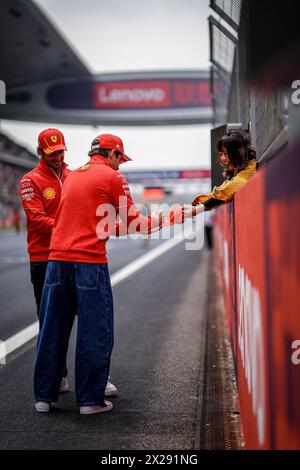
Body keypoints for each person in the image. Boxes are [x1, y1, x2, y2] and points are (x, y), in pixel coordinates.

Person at [34, 134, 164, 415]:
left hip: (56, 260)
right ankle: (91, 400)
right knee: (96, 329)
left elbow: (90, 222)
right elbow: (136, 224)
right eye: (120, 160)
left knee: (52, 330)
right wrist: (176, 215)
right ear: (113, 154)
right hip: (88, 263)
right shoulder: (112, 177)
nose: (120, 167)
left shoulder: (72, 176)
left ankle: (44, 397)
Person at [19, 128, 117, 397]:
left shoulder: (75, 176)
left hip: (75, 256)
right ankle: (57, 378)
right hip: (44, 259)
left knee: (92, 321)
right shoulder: (30, 181)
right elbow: (36, 220)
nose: (58, 157)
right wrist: (70, 227)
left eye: (61, 151)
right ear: (40, 152)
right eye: (52, 153)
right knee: (50, 323)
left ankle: (99, 378)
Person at [183, 130, 257, 219]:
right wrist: (196, 206)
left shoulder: (250, 168)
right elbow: (221, 192)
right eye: (220, 154)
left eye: (226, 154)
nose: (223, 158)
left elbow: (226, 191)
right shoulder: (236, 173)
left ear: (238, 152)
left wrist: (197, 209)